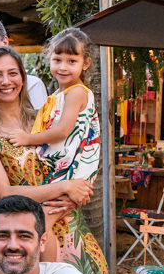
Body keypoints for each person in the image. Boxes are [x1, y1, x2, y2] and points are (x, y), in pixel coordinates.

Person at [0, 46, 115, 274]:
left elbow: (83, 152)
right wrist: (65, 188)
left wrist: (79, 189)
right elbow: (5, 193)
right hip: (30, 242)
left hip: (73, 233)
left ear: (23, 80)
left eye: (13, 73)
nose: (6, 81)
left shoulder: (47, 120)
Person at [6, 27, 102, 184]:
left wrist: (28, 139)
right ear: (49, 59)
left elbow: (63, 130)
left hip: (70, 169)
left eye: (72, 61)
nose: (63, 67)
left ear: (85, 63)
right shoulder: (59, 94)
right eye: (57, 60)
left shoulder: (76, 92)